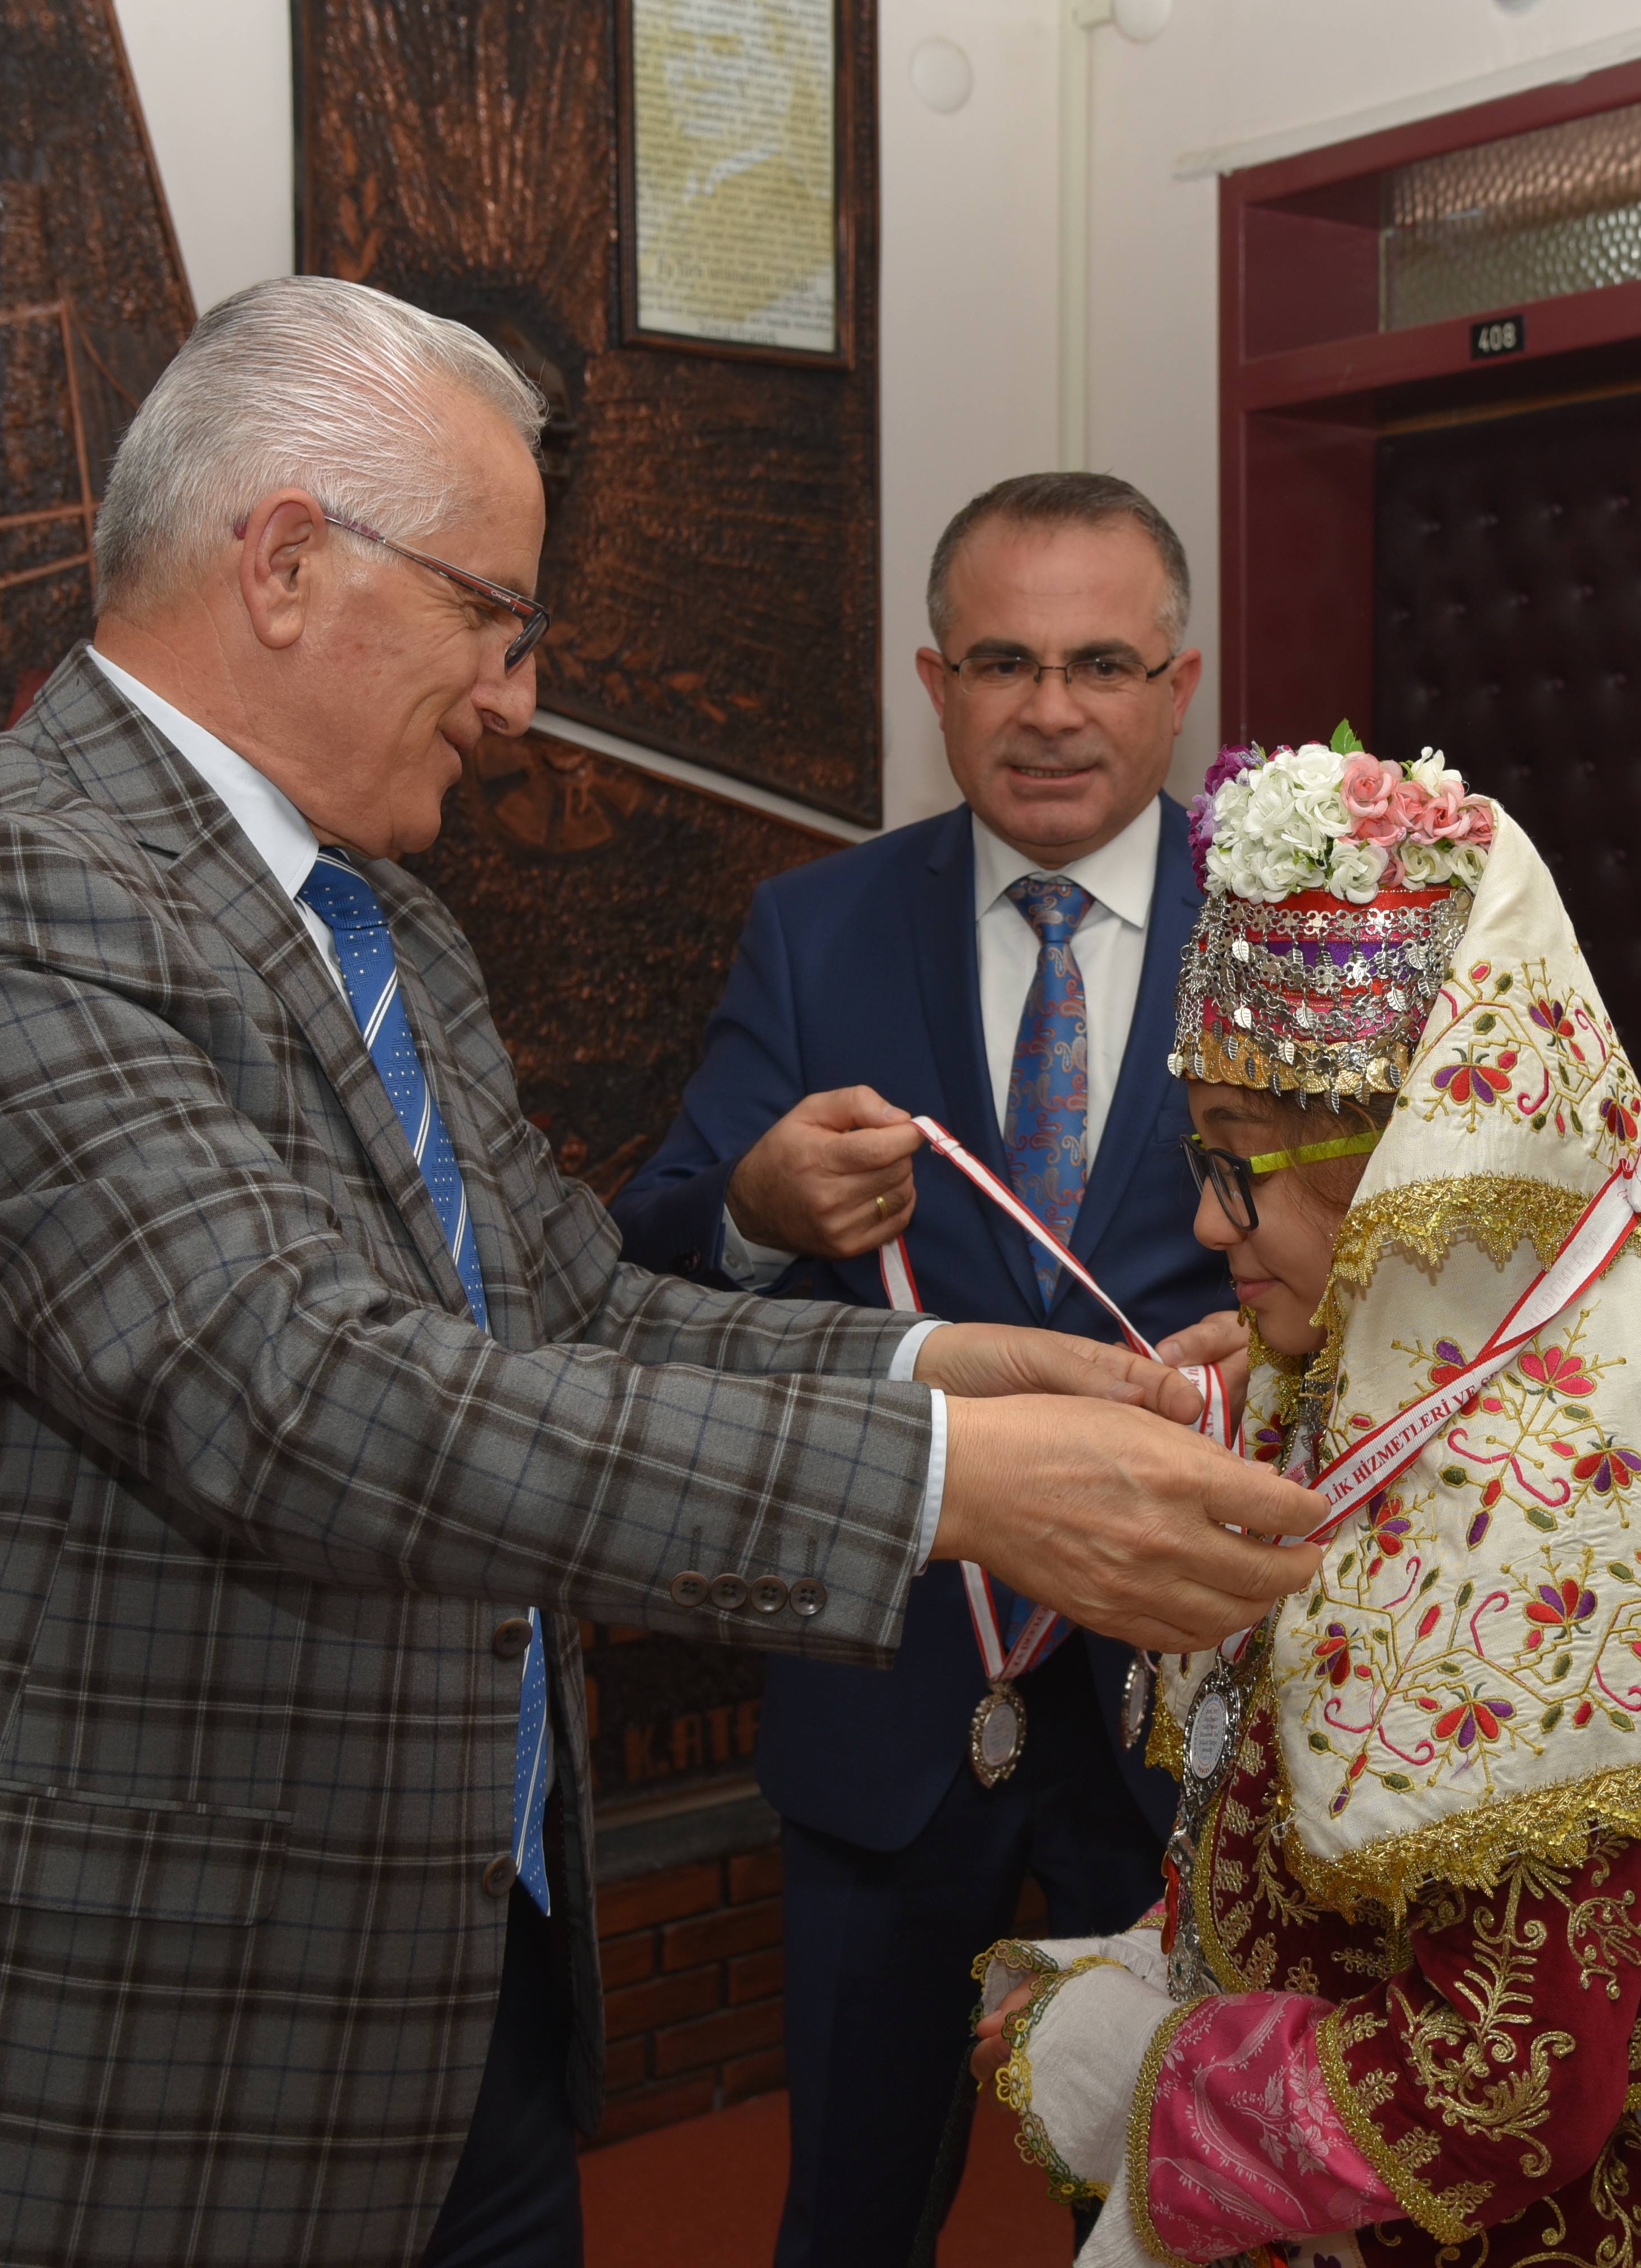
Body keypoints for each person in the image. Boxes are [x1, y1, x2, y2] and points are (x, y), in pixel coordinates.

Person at [0, 277, 1326, 2268]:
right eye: (492, 615)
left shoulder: (386, 924)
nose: (516, 696)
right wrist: (946, 1485)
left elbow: (573, 1313)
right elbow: (298, 1398)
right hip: (118, 2030)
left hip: (461, 1977)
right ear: (288, 564)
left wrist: (938, 1373)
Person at [968, 733, 1641, 2266]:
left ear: (1417, 1164)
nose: (1203, 1221)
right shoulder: (1332, 1401)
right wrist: (1141, 1969)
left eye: (1243, 1164)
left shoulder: (1562, 1530)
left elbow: (1510, 2079)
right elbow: (1272, 1832)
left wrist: (1135, 2065)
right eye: (1204, 1153)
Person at [610, 470, 1226, 2263]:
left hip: (1185, 1696)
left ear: (1179, 687)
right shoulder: (819, 929)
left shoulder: (1302, 926)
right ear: (936, 684)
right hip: (893, 1683)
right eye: (1004, 663)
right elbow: (651, 1254)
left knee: (1185, 2211)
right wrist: (757, 1201)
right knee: (854, 2209)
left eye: (1101, 664)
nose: (1051, 711)